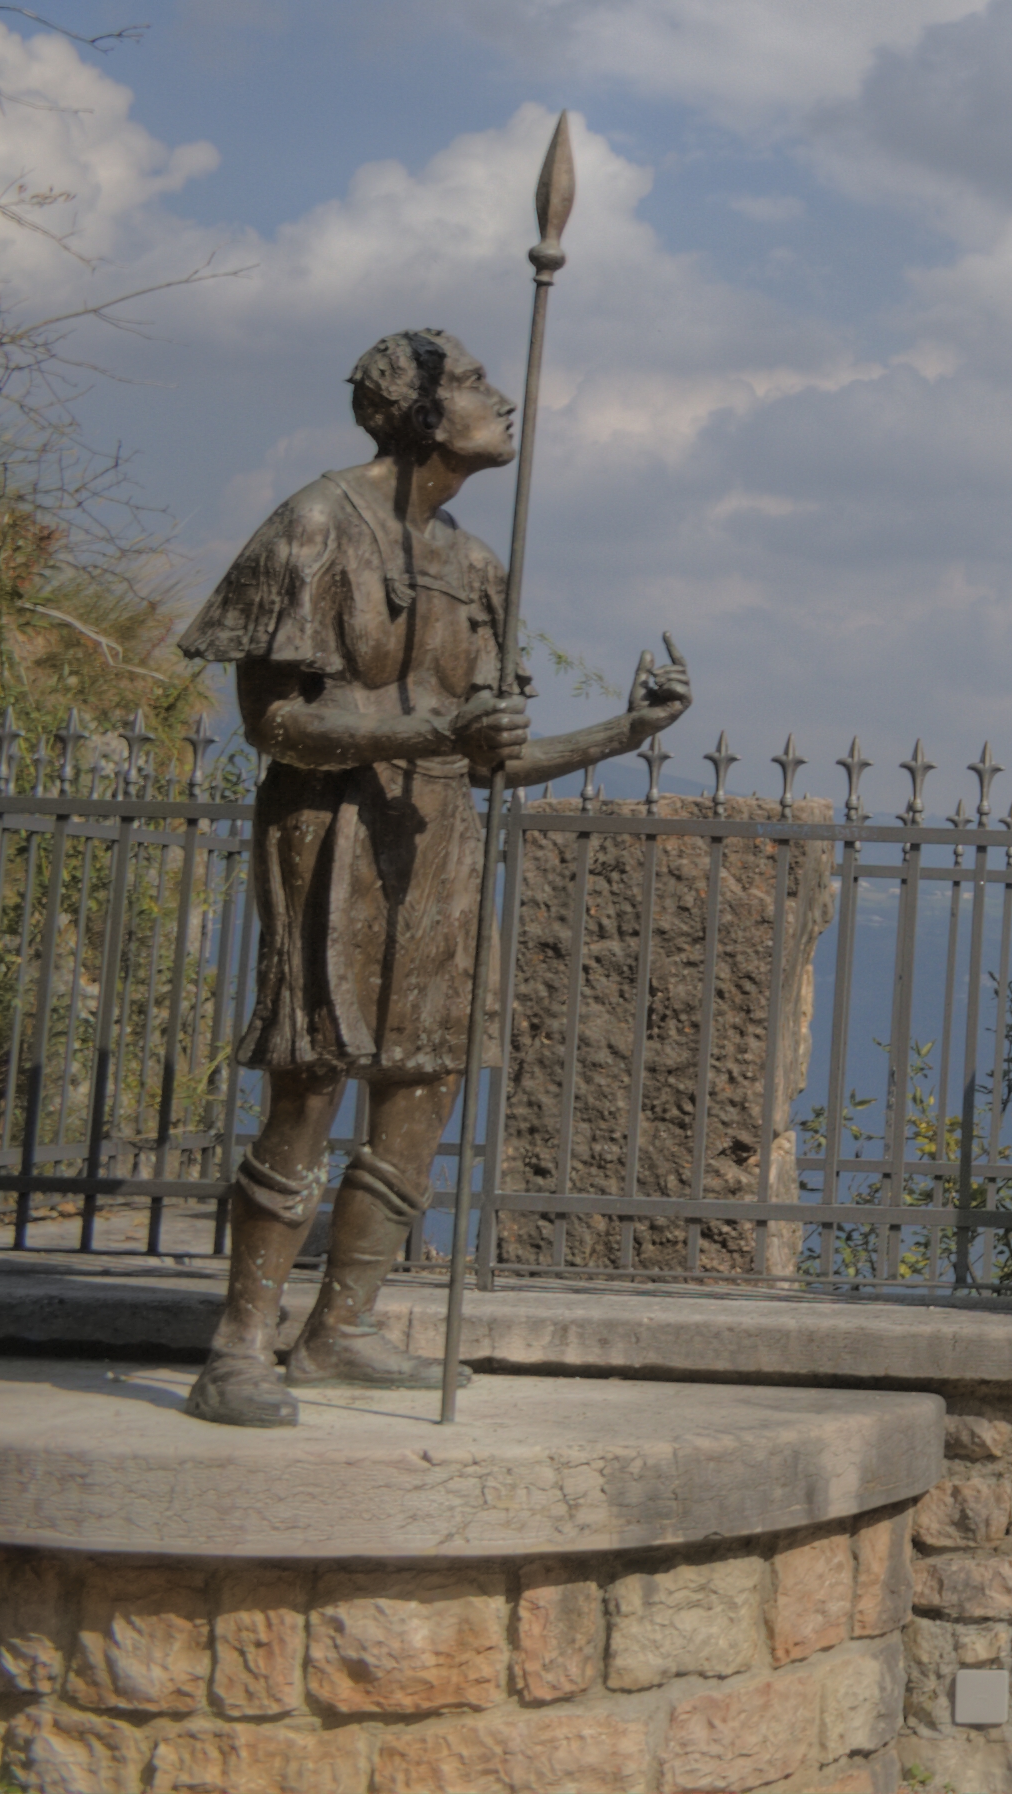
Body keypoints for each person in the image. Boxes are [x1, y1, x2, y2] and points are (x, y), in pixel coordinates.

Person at [175, 328, 691, 1428]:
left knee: (421, 1085)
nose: (500, 400)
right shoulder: (317, 526)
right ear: (415, 413)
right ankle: (239, 1342)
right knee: (311, 1077)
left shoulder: (473, 564)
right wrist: (423, 726)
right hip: (333, 836)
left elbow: (489, 756)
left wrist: (621, 731)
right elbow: (273, 719)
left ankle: (342, 1328)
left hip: (439, 847)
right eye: (470, 385)